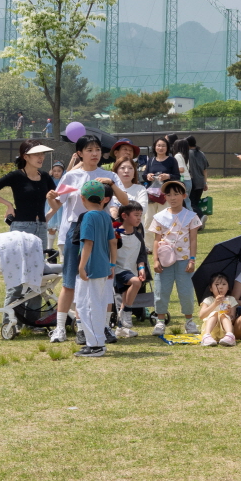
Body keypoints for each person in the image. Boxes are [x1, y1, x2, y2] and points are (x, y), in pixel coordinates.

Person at [51, 135, 128, 342]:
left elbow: (124, 201)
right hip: (75, 230)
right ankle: (60, 328)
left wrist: (112, 183)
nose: (94, 154)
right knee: (70, 281)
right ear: (79, 154)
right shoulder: (70, 177)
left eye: (97, 150)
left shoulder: (107, 174)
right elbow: (58, 203)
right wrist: (51, 199)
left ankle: (103, 326)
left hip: (100, 229)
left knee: (102, 279)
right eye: (89, 150)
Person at [148, 180, 201, 337]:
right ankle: (160, 321)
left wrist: (192, 259)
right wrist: (155, 260)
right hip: (164, 260)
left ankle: (189, 321)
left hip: (184, 260)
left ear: (184, 196)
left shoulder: (191, 216)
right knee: (161, 290)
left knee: (186, 291)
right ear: (164, 197)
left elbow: (193, 240)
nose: (172, 198)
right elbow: (156, 240)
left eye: (176, 194)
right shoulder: (159, 217)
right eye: (169, 194)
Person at [71, 181, 116, 357]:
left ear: (83, 198)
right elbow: (112, 242)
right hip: (103, 266)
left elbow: (88, 243)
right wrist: (112, 264)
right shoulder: (105, 215)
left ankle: (95, 345)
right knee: (96, 304)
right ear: (103, 199)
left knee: (85, 306)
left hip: (91, 268)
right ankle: (97, 343)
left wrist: (81, 267)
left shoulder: (89, 216)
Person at [0, 141, 57, 243]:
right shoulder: (16, 176)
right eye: (36, 154)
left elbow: (58, 199)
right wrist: (9, 205)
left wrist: (47, 217)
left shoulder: (45, 177)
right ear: (26, 157)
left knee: (40, 258)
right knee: (20, 259)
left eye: (42, 154)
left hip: (41, 227)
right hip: (21, 227)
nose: (41, 157)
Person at [109, 203, 149, 339]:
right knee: (136, 283)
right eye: (136, 215)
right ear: (124, 216)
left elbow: (141, 254)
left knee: (126, 296)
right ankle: (127, 311)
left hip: (131, 270)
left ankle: (121, 328)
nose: (139, 219)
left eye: (140, 216)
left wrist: (141, 267)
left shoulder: (138, 236)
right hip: (118, 270)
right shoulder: (115, 233)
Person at [197, 275, 239, 346]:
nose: (220, 287)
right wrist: (215, 304)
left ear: (228, 287)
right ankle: (207, 336)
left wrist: (229, 314)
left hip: (224, 331)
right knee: (215, 313)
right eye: (217, 284)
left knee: (223, 315)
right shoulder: (208, 300)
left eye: (224, 284)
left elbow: (233, 319)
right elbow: (201, 316)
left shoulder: (231, 300)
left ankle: (230, 336)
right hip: (211, 331)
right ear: (211, 288)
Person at [180, 135, 209, 217]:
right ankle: (196, 220)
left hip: (192, 181)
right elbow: (205, 170)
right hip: (200, 182)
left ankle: (201, 217)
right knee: (195, 202)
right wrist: (205, 182)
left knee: (191, 203)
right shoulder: (201, 153)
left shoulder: (186, 154)